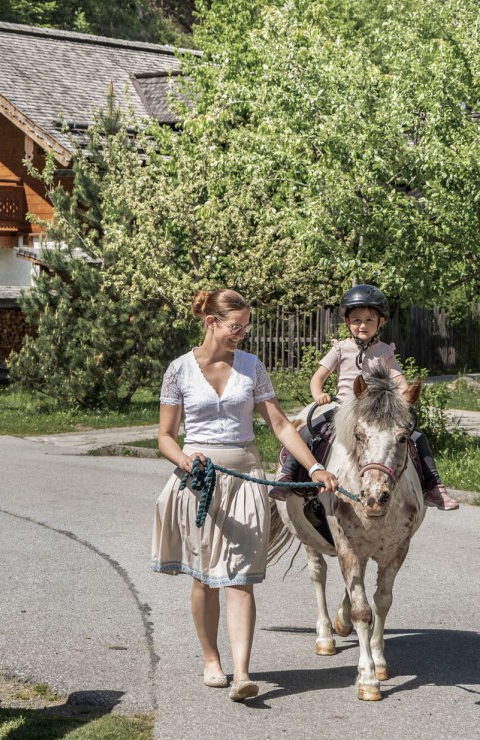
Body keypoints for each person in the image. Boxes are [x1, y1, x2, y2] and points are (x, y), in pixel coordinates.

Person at [150, 289, 338, 703]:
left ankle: (242, 673)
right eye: (236, 327)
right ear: (211, 322)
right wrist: (184, 461)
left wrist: (315, 466)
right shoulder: (179, 370)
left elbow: (281, 425)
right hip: (200, 480)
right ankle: (211, 659)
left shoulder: (252, 367)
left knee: (240, 578)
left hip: (246, 477)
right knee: (204, 580)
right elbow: (165, 436)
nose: (242, 335)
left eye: (246, 327)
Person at [271, 283, 458, 510]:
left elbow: (399, 380)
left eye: (369, 320)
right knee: (308, 431)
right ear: (347, 323)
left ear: (381, 323)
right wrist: (319, 395)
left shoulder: (384, 351)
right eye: (356, 320)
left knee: (417, 436)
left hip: (376, 410)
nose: (362, 325)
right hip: (344, 407)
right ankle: (287, 475)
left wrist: (402, 397)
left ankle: (434, 487)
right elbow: (317, 378)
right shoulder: (340, 349)